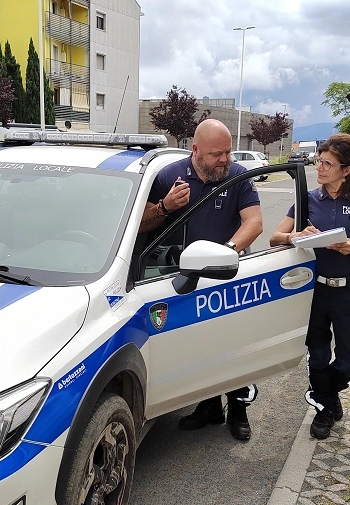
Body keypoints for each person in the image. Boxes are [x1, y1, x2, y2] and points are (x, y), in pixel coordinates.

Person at [139, 118, 263, 441]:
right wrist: (165, 206)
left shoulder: (237, 176)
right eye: (216, 154)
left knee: (235, 345)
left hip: (226, 274)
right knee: (202, 344)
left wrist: (228, 250)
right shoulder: (168, 176)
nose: (225, 159)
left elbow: (255, 222)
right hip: (188, 278)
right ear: (196, 151)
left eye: (228, 152)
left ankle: (238, 409)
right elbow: (140, 226)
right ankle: (209, 407)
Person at [269, 133, 350, 440]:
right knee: (316, 355)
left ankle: (325, 393)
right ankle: (326, 409)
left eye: (327, 163)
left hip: (349, 291)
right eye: (319, 161)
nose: (319, 167)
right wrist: (297, 235)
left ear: (347, 170)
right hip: (314, 291)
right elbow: (275, 237)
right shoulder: (308, 200)